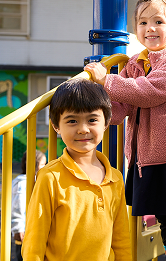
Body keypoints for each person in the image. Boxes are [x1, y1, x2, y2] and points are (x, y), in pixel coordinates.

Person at [84, 0, 166, 261]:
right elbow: (121, 108)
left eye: (159, 21)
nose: (151, 28)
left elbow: (147, 91)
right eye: (143, 23)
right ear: (136, 29)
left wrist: (107, 80)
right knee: (164, 216)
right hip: (144, 157)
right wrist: (92, 114)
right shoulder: (134, 64)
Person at [22, 78, 131, 261]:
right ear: (56, 126)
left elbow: (121, 239)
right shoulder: (50, 177)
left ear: (106, 123)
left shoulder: (115, 178)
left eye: (92, 120)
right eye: (72, 121)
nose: (82, 129)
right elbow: (35, 238)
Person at [11, 150, 46, 261]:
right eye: (42, 165)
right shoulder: (23, 183)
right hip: (25, 232)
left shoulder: (36, 180)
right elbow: (17, 206)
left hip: (35, 230)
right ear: (33, 165)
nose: (44, 167)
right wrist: (18, 228)